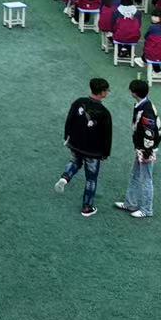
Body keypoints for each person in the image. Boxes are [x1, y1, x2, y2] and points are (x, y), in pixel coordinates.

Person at [54, 76, 113, 217]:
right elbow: (107, 135)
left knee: (75, 161)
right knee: (91, 178)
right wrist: (105, 153)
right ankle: (87, 207)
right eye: (107, 90)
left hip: (76, 143)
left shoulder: (79, 102)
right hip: (93, 151)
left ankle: (65, 177)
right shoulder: (104, 113)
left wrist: (67, 136)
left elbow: (69, 120)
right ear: (102, 92)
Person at [114, 79, 160, 219]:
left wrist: (146, 152)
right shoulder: (144, 104)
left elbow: (149, 133)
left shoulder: (146, 110)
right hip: (142, 147)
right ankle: (130, 203)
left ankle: (147, 209)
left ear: (134, 93)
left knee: (146, 179)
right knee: (135, 175)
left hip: (146, 149)